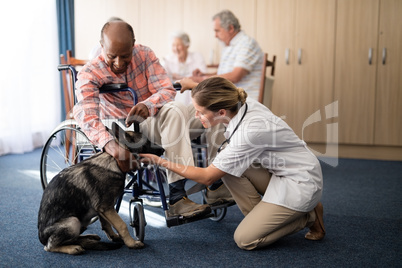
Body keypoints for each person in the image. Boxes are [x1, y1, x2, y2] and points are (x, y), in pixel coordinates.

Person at [140, 77, 325, 250]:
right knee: (228, 169)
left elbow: (207, 177)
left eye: (199, 112)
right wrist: (195, 85)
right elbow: (219, 95)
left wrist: (161, 161)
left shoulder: (248, 132)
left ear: (221, 112)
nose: (196, 116)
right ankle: (267, 218)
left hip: (299, 181)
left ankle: (307, 216)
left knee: (245, 239)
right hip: (281, 170)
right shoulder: (240, 103)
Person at [73, 21, 210, 218]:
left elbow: (166, 89)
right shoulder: (90, 72)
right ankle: (178, 198)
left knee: (215, 111)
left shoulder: (145, 54)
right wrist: (111, 146)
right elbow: (87, 116)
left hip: (160, 119)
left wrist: (148, 104)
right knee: (176, 110)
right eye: (112, 56)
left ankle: (216, 185)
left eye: (125, 56)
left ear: (133, 45)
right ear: (102, 46)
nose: (119, 63)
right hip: (130, 130)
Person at [191, 10, 264, 101]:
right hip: (233, 98)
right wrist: (205, 75)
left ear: (230, 28)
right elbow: (224, 73)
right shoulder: (230, 46)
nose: (215, 35)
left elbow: (234, 76)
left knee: (196, 105)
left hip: (245, 100)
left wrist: (202, 79)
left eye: (217, 31)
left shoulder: (246, 43)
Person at [161, 31, 207, 106]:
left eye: (179, 45)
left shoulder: (197, 57)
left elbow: (203, 78)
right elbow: (161, 77)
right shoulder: (167, 59)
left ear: (187, 45)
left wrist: (177, 76)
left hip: (194, 95)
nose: (176, 48)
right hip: (175, 97)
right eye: (173, 45)